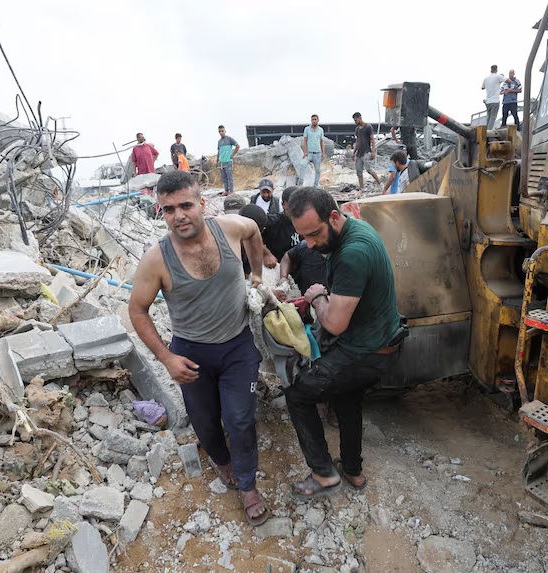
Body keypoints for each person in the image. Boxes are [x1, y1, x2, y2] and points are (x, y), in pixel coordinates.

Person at [128, 170, 270, 526]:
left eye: (186, 205)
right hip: (192, 353)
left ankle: (248, 483)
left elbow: (254, 232)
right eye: (169, 209)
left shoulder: (230, 229)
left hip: (238, 346)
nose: (179, 216)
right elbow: (137, 309)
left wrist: (256, 276)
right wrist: (166, 358)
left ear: (202, 203)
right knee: (205, 422)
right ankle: (221, 461)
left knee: (239, 418)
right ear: (161, 212)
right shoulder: (156, 259)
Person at [283, 187, 406, 501]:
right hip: (378, 342)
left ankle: (324, 475)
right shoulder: (354, 226)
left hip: (368, 351)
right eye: (304, 237)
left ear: (334, 216)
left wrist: (317, 298)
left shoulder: (352, 253)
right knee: (347, 396)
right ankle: (352, 469)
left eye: (314, 234)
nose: (310, 245)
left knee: (297, 393)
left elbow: (335, 323)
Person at [261, 186, 303, 261]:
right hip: (278, 265)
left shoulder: (307, 221)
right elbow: (251, 235)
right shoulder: (272, 222)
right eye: (292, 204)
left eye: (300, 203)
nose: (297, 207)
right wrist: (266, 253)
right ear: (284, 204)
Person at [351, 112, 381, 190]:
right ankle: (362, 188)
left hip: (366, 151)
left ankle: (380, 183)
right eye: (354, 120)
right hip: (359, 153)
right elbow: (357, 141)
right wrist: (354, 153)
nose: (355, 122)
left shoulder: (368, 127)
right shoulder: (357, 129)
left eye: (356, 120)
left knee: (369, 169)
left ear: (360, 118)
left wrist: (373, 151)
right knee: (359, 172)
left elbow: (372, 140)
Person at [302, 115, 325, 187]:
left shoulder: (320, 130)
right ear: (311, 120)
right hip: (309, 153)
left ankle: (315, 186)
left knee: (318, 170)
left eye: (315, 119)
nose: (314, 121)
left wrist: (323, 153)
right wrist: (305, 151)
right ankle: (300, 184)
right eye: (312, 120)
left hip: (317, 153)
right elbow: (305, 140)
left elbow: (322, 142)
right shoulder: (307, 129)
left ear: (318, 120)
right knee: (302, 166)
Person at [217, 125, 240, 193]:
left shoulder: (229, 139)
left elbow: (237, 146)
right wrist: (217, 160)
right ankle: (226, 191)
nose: (221, 132)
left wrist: (232, 155)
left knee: (229, 177)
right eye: (219, 131)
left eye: (222, 131)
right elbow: (219, 151)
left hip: (228, 161)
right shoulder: (219, 141)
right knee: (224, 178)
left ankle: (231, 191)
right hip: (221, 162)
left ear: (225, 131)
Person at [482, 65, 505, 131]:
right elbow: (508, 80)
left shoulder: (486, 78)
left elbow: (482, 87)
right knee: (492, 117)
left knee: (488, 117)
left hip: (488, 100)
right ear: (496, 70)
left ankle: (486, 130)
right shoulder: (498, 77)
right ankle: (488, 131)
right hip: (495, 100)